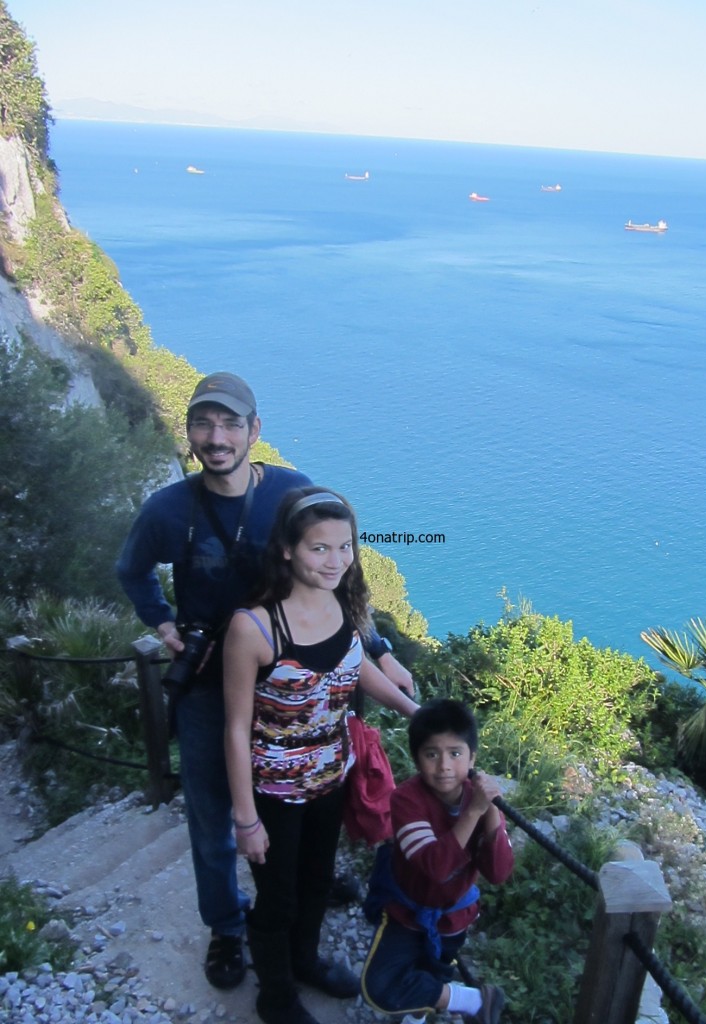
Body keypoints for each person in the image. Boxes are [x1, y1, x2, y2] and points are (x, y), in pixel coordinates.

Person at [116, 372, 414, 990]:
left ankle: (298, 880)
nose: (216, 437)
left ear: (256, 431)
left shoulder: (289, 492)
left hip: (293, 680)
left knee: (306, 783)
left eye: (231, 424)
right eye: (204, 423)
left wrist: (379, 651)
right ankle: (228, 927)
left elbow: (339, 580)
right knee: (214, 811)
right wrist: (163, 622)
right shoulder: (169, 510)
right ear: (191, 432)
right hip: (208, 683)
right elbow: (133, 569)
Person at [223, 486, 420, 1024]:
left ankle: (304, 960)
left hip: (331, 775)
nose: (336, 561)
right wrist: (245, 820)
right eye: (319, 549)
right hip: (275, 790)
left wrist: (412, 711)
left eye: (345, 547)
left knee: (316, 880)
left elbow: (354, 669)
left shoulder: (341, 603)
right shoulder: (255, 628)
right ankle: (276, 996)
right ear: (287, 548)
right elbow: (236, 729)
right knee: (278, 897)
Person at [361, 698, 514, 1024]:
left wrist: (492, 813)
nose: (444, 765)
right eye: (432, 754)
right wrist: (474, 811)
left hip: (454, 918)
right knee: (379, 986)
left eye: (455, 753)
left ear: (472, 757)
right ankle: (474, 1000)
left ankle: (416, 1015)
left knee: (431, 974)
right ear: (417, 759)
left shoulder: (481, 801)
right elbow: (435, 867)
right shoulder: (406, 800)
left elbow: (498, 872)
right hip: (406, 913)